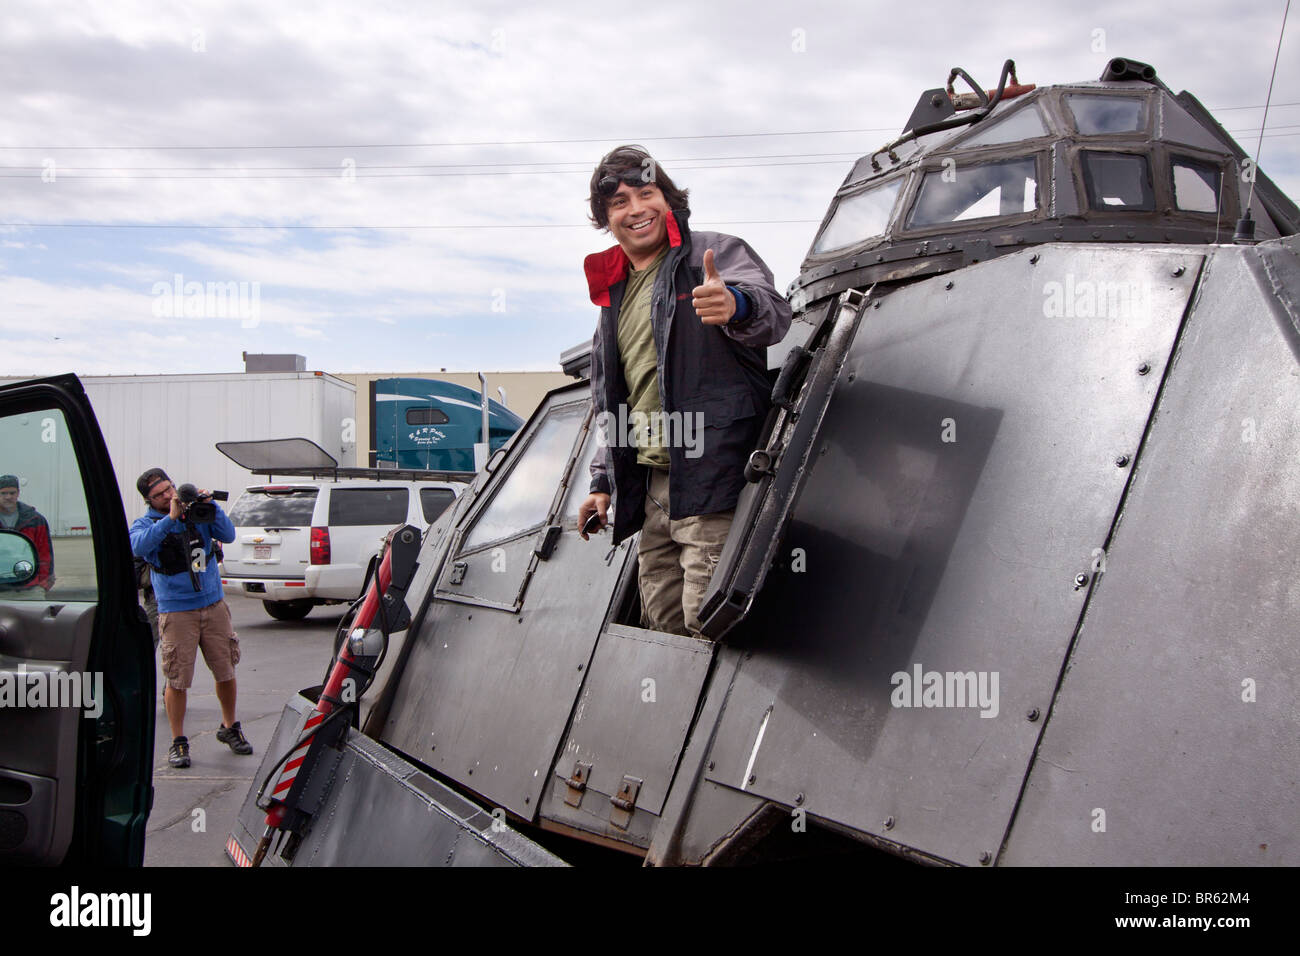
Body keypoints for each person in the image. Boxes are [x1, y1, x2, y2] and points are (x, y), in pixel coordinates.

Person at [577, 146, 792, 638]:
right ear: (605, 218)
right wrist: (602, 481)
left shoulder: (713, 254)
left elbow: (775, 315)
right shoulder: (613, 292)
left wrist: (736, 304)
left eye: (646, 193)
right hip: (650, 489)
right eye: (619, 202)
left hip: (713, 482)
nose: (635, 209)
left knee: (709, 626)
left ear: (668, 199)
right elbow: (610, 395)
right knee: (663, 626)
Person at [129, 467, 252, 768]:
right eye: (158, 495)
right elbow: (138, 546)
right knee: (178, 679)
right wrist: (170, 518)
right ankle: (178, 741)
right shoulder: (146, 524)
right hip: (176, 609)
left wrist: (210, 507)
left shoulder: (199, 513)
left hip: (212, 604)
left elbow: (229, 535)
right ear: (148, 500)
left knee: (226, 670)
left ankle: (229, 726)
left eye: (169, 489)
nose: (167, 496)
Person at [0, 474, 55, 592]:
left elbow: (44, 552)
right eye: (3, 493)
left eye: (12, 493)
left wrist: (42, 584)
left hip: (29, 588)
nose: (8, 497)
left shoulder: (35, 520)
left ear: (18, 493)